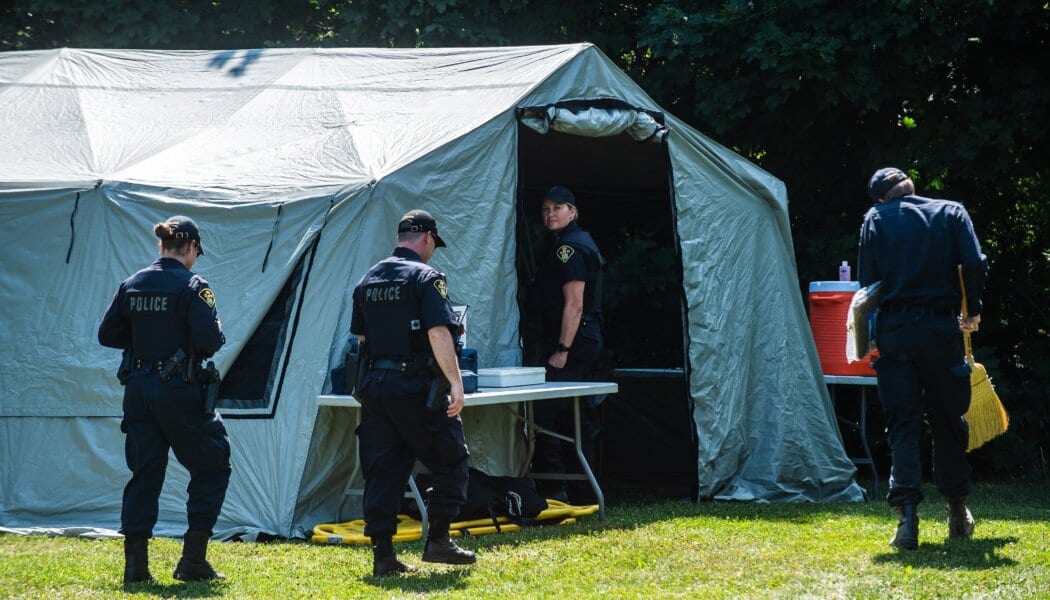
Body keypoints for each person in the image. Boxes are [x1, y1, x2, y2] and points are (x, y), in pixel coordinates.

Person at [857, 167, 987, 550]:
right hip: (941, 330)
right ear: (911, 186)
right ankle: (956, 512)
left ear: (881, 198)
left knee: (903, 425)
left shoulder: (874, 219)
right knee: (949, 421)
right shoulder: (952, 212)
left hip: (895, 333)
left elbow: (868, 284)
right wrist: (973, 310)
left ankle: (907, 522)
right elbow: (974, 262)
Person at [98, 216, 231, 583]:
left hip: (138, 391)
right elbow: (208, 341)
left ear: (162, 245)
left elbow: (108, 335)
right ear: (190, 248)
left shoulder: (133, 283)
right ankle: (192, 560)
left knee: (144, 473)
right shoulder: (193, 285)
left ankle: (136, 569)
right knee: (212, 466)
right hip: (180, 391)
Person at [350, 209, 475, 576]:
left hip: (376, 387)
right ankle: (438, 540)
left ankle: (383, 556)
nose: (433, 250)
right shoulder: (426, 277)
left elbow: (361, 337)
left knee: (383, 470)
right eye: (434, 243)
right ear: (426, 238)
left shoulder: (368, 278)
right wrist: (455, 381)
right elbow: (439, 331)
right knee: (450, 458)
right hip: (416, 386)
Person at [528, 185, 606, 504]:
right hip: (584, 338)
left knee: (548, 413)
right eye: (546, 209)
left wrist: (562, 350)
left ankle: (560, 488)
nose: (550, 214)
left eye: (557, 208)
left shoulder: (569, 248)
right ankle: (581, 489)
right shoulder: (570, 242)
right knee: (577, 415)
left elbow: (574, 303)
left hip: (572, 342)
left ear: (573, 211)